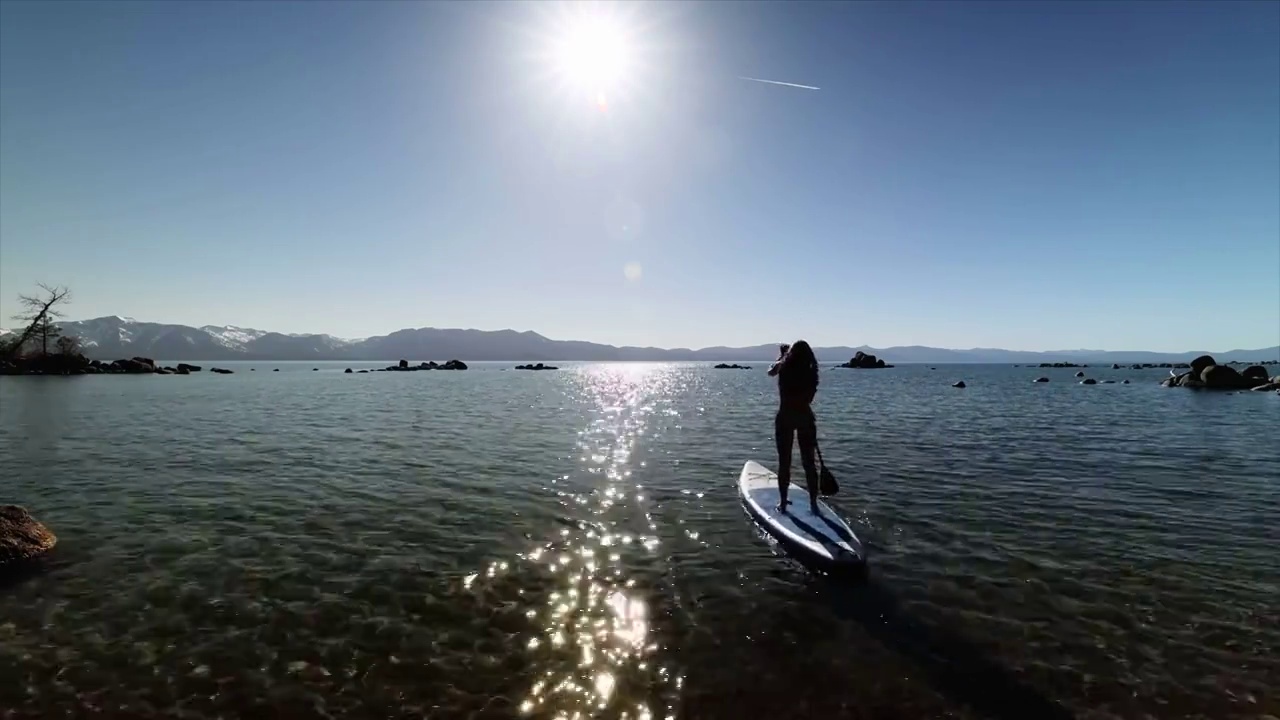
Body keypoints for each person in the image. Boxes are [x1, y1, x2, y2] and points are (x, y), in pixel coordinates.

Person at [770, 340, 821, 514]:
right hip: (805, 418)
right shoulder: (811, 372)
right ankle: (813, 504)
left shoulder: (783, 367)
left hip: (785, 417)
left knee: (784, 462)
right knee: (809, 464)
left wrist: (782, 357)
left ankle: (783, 503)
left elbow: (770, 372)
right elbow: (810, 399)